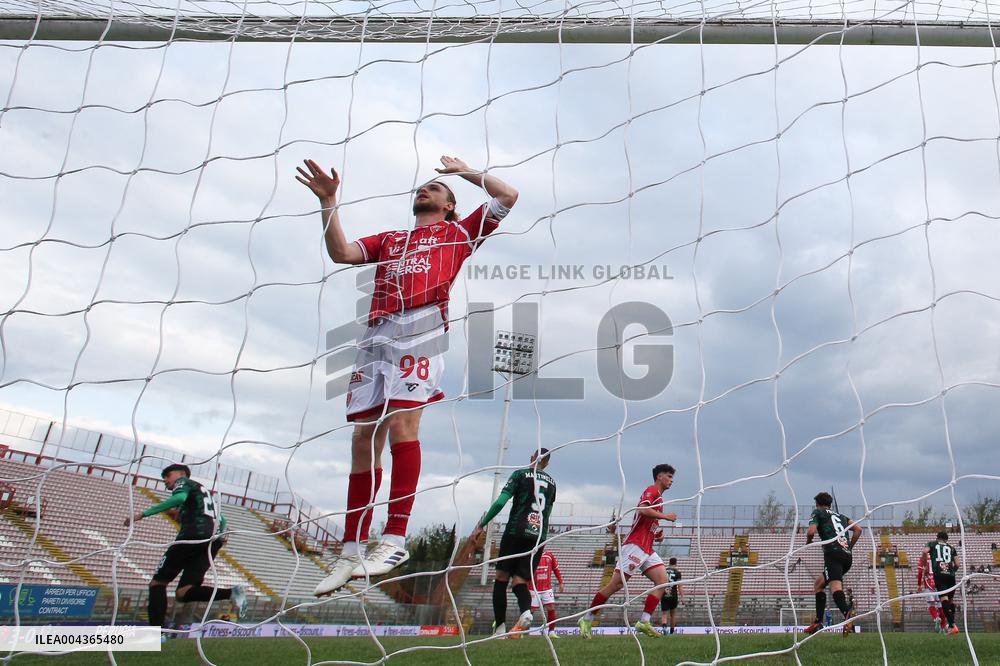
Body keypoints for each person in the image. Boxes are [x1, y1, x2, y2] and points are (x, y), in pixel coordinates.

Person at [298, 156, 518, 596]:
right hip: (376, 334)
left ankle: (395, 539)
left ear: (452, 206)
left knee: (401, 425)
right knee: (363, 439)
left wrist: (462, 172)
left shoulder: (460, 232)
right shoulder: (391, 239)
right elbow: (341, 253)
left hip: (422, 326)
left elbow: (507, 195)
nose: (426, 190)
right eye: (423, 187)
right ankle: (350, 550)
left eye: (435, 189)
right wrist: (329, 201)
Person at [124, 464, 248, 633]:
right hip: (211, 542)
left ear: (182, 474)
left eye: (168, 475)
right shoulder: (205, 494)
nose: (166, 480)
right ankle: (232, 593)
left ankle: (156, 634)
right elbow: (223, 519)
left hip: (192, 537)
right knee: (183, 593)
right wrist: (219, 534)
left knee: (157, 583)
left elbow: (179, 498)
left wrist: (142, 514)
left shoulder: (184, 482)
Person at [578, 464, 678, 639]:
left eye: (672, 477)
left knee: (663, 582)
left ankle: (644, 621)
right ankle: (587, 618)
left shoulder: (660, 499)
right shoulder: (652, 490)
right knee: (616, 584)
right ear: (659, 477)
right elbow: (643, 509)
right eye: (669, 476)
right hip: (635, 545)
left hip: (647, 548)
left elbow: (648, 523)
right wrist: (666, 517)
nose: (671, 480)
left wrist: (659, 534)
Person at [471, 449, 557, 638]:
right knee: (520, 581)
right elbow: (547, 513)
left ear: (532, 458)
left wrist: (481, 525)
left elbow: (501, 502)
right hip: (537, 537)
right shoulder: (552, 483)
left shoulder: (519, 474)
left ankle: (500, 628)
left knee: (501, 578)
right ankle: (526, 612)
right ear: (547, 464)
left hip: (515, 531)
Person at [802, 492, 861, 636]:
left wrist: (808, 542)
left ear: (817, 504)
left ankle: (847, 614)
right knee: (819, 584)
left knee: (835, 587)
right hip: (847, 558)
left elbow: (811, 531)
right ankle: (818, 622)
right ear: (830, 504)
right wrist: (849, 547)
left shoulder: (818, 512)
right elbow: (858, 530)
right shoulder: (841, 516)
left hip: (833, 555)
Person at [921, 530, 961, 635]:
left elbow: (925, 552)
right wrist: (952, 571)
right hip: (951, 576)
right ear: (946, 539)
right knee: (950, 601)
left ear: (937, 538)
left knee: (944, 600)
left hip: (940, 575)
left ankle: (952, 626)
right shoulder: (952, 548)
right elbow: (958, 563)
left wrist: (925, 567)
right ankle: (952, 624)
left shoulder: (932, 544)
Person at [530, 550, 564, 637]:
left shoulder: (549, 555)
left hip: (546, 588)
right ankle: (520, 631)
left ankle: (551, 631)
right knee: (531, 610)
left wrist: (560, 582)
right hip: (534, 588)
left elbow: (556, 569)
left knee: (551, 607)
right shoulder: (532, 555)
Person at [916, 551, 948, 633]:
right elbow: (945, 570)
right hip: (939, 584)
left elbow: (920, 573)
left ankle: (936, 618)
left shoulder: (923, 559)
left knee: (931, 604)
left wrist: (919, 585)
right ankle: (943, 628)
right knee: (940, 605)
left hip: (928, 584)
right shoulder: (937, 559)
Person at [659, 556, 682, 635]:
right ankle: (672, 632)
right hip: (673, 595)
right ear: (675, 563)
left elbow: (660, 583)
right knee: (673, 614)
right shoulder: (677, 572)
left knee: (664, 613)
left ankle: (664, 629)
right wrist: (682, 597)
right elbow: (680, 586)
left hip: (664, 594)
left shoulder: (664, 571)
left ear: (669, 562)